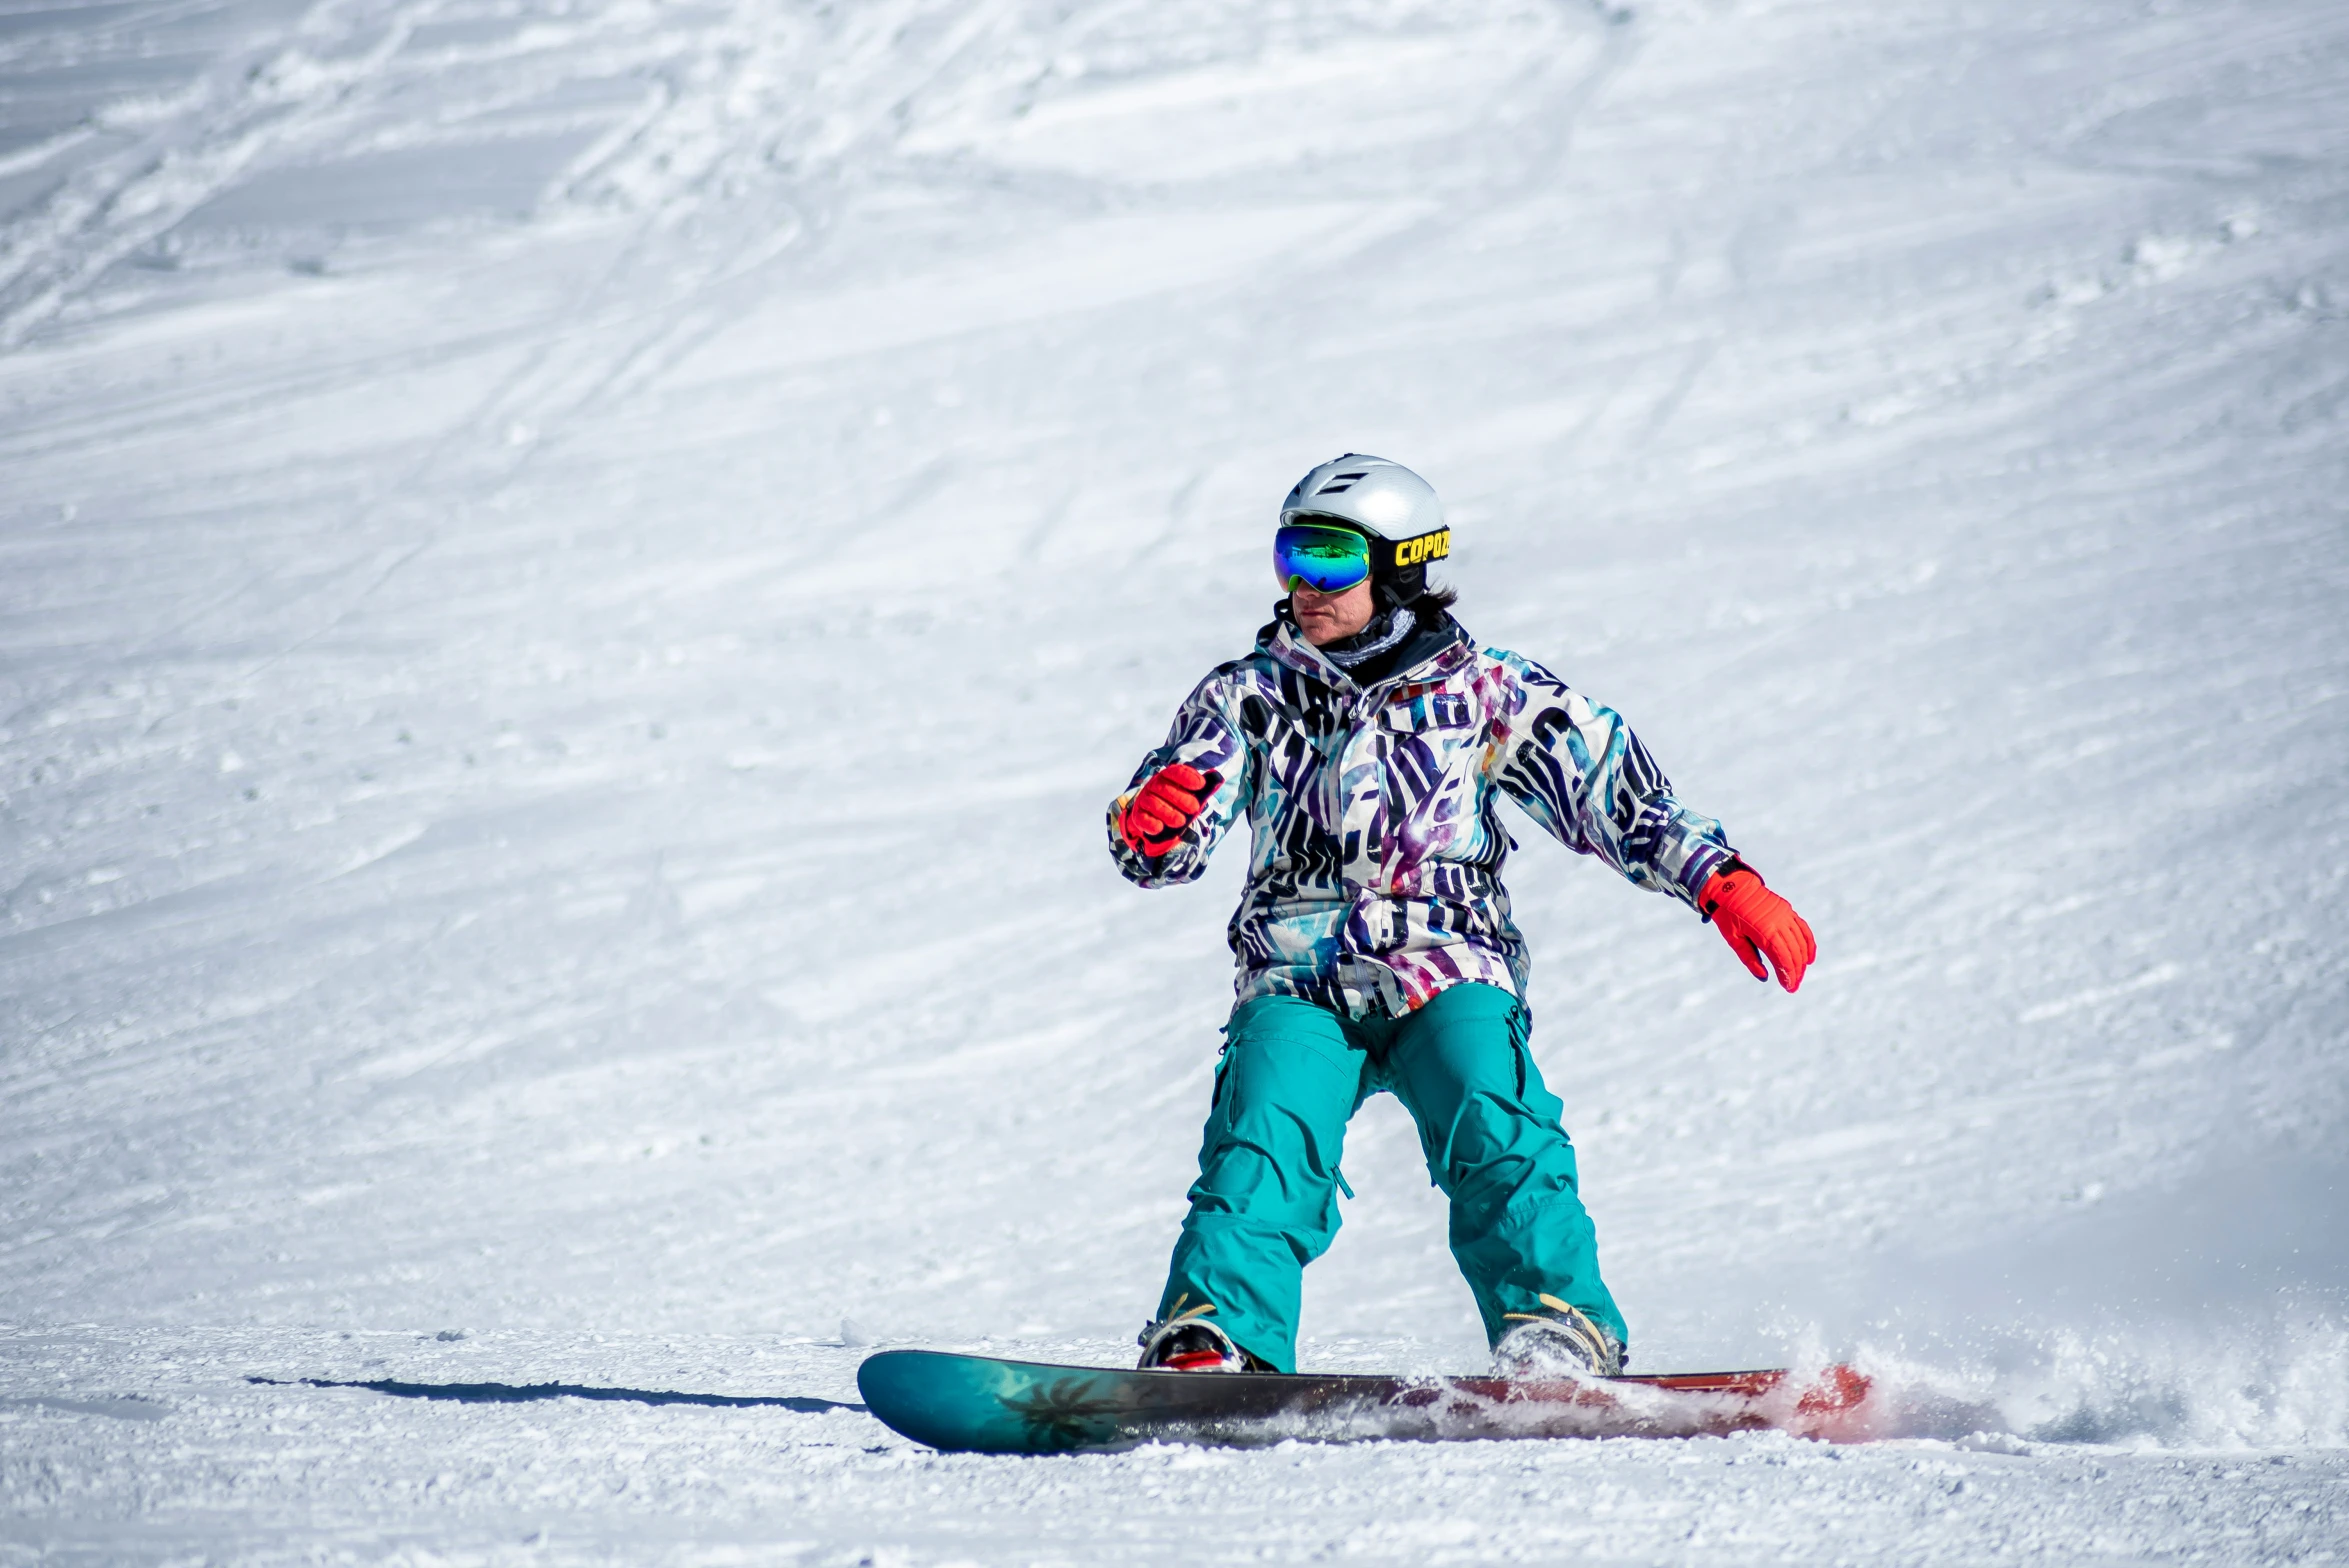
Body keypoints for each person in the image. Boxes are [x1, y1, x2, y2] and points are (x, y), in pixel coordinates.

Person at [1106, 454, 1816, 1378]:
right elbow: (1171, 836)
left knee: (1495, 1121)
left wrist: (1720, 880)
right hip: (1296, 973)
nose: (1301, 588)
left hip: (1448, 961)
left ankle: (1555, 1323)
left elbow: (1609, 792)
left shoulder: (1488, 692)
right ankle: (1218, 1334)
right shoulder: (1247, 694)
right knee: (1263, 1140)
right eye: (1289, 559)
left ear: (1400, 566)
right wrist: (1150, 822)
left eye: (1327, 563)